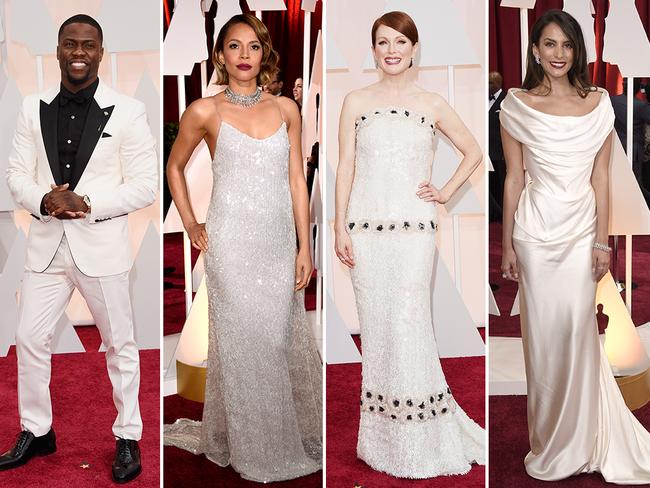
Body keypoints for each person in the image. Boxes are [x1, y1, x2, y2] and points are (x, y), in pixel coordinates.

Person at [163, 14, 322, 483]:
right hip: (230, 244)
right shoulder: (204, 111)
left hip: (276, 243)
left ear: (264, 52)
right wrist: (191, 222)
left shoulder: (285, 111)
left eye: (253, 46)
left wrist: (303, 245)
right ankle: (254, 447)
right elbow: (175, 167)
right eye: (234, 47)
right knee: (243, 346)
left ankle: (269, 432)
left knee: (274, 342)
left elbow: (297, 179)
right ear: (221, 55)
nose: (245, 56)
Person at [0, 14, 157, 483]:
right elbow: (15, 176)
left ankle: (128, 436)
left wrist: (87, 203)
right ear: (58, 49)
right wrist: (45, 200)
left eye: (88, 45)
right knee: (29, 340)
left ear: (101, 53)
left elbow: (146, 186)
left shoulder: (128, 111)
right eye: (70, 44)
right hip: (46, 246)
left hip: (101, 248)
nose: (79, 53)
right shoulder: (33, 107)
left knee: (120, 345)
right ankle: (37, 429)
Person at [500, 9, 650, 483]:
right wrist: (506, 245)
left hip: (582, 234)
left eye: (566, 45)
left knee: (578, 336)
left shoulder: (600, 103)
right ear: (535, 50)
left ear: (577, 50)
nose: (558, 54)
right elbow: (512, 180)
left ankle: (585, 439)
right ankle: (550, 442)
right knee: (542, 345)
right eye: (549, 44)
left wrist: (603, 242)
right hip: (534, 236)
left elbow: (601, 177)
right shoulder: (516, 105)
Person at [334, 10, 485, 479]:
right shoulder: (356, 100)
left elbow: (474, 151)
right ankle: (383, 438)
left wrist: (444, 192)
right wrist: (339, 226)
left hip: (415, 232)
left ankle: (423, 434)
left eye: (401, 41)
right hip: (365, 230)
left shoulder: (433, 103)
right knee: (378, 331)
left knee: (410, 322)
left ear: (415, 48)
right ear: (373, 49)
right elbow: (345, 167)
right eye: (383, 42)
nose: (392, 50)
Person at [610, 78, 650, 206]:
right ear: (638, 88)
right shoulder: (640, 105)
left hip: (616, 146)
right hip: (635, 149)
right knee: (635, 180)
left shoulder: (612, 100)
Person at [489, 71, 507, 221]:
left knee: (501, 185)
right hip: (487, 151)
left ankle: (502, 214)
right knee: (490, 185)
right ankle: (493, 213)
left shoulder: (506, 100)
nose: (488, 85)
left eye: (491, 83)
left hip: (500, 152)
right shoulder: (483, 99)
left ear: (498, 84)